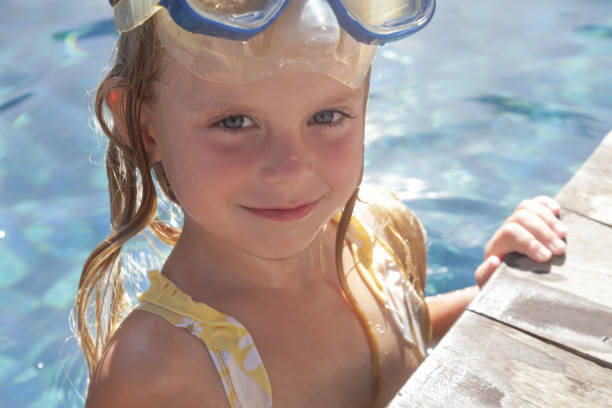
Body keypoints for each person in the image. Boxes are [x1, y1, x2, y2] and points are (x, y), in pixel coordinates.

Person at [75, 1, 567, 407]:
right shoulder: (156, 376)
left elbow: (400, 342)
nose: (290, 168)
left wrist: (491, 295)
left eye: (327, 115)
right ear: (143, 127)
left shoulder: (377, 234)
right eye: (234, 122)